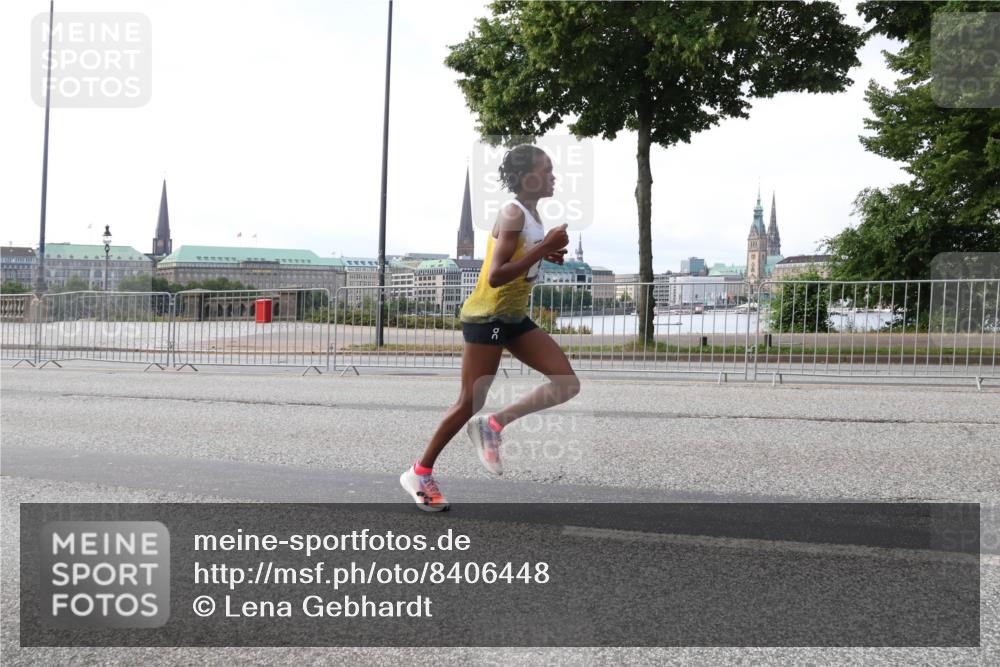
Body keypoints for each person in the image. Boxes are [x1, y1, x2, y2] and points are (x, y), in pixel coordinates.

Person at [400, 144, 581, 511]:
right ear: (527, 177)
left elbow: (519, 258)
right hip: (488, 316)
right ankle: (419, 472)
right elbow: (496, 275)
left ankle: (493, 425)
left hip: (513, 317)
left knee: (566, 383)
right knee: (470, 400)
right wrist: (543, 247)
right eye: (546, 170)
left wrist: (546, 252)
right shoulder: (513, 213)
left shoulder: (531, 214)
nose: (553, 176)